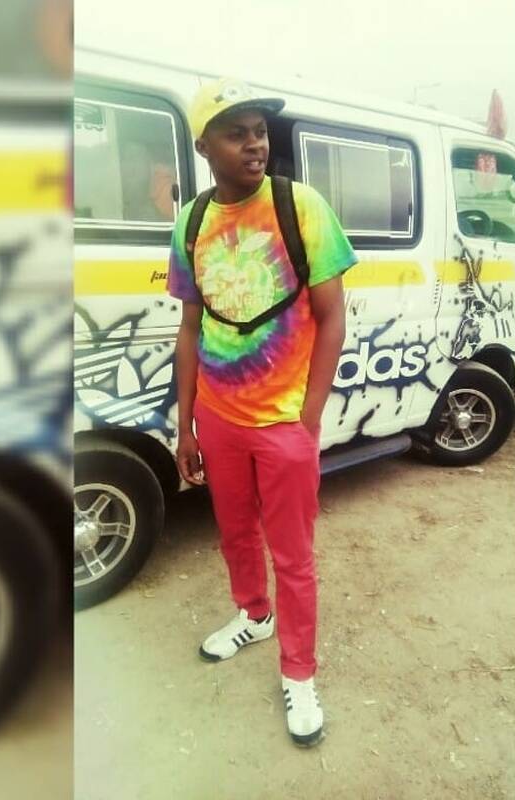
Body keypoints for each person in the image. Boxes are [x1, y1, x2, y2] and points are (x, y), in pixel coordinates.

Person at [167, 77, 357, 747]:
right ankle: (253, 614)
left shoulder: (299, 207)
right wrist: (186, 423)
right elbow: (190, 327)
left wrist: (308, 416)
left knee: (294, 556)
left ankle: (299, 672)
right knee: (235, 533)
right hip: (218, 417)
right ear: (204, 147)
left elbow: (333, 318)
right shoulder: (192, 222)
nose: (255, 143)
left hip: (282, 422)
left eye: (259, 131)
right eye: (236, 133)